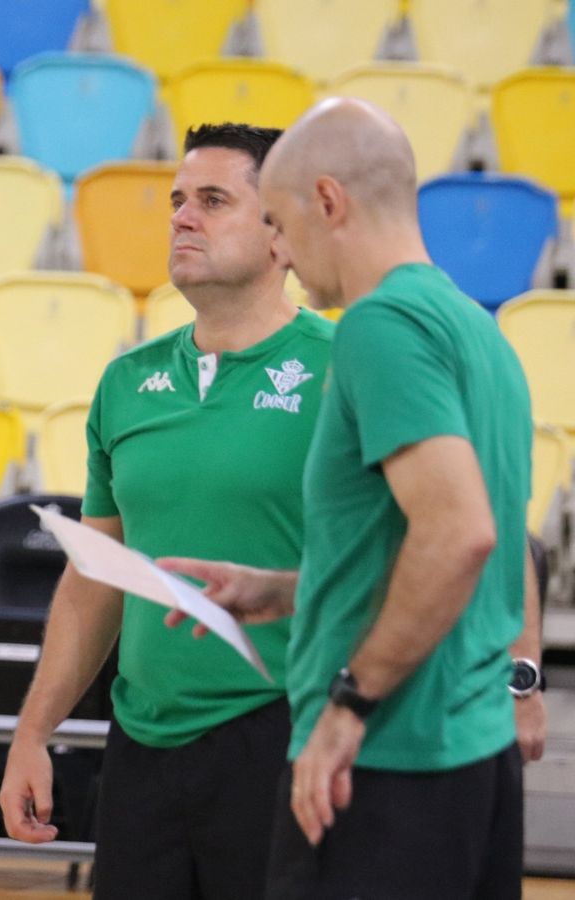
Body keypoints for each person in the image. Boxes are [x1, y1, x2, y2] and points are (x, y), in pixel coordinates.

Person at [160, 97, 543, 899]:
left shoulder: (379, 327)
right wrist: (288, 590)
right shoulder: (477, 328)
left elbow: (460, 534)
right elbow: (461, 547)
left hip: (388, 761)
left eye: (282, 222)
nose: (285, 252)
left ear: (328, 201)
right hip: (472, 756)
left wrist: (349, 703)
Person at [0, 123, 336, 899]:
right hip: (142, 745)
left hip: (285, 733)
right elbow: (95, 578)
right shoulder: (126, 384)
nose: (183, 217)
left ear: (281, 232)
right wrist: (33, 731)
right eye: (178, 200)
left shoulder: (343, 371)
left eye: (213, 200)